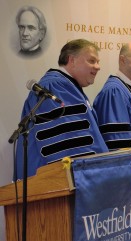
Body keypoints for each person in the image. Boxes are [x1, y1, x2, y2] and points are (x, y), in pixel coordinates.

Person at [15, 39, 109, 180]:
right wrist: (97, 175)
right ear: (72, 60)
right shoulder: (55, 87)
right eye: (92, 61)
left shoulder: (69, 87)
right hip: (54, 185)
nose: (98, 67)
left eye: (98, 62)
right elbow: (68, 145)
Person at [93, 42, 131, 240]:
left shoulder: (130, 89)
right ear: (122, 60)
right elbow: (117, 142)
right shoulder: (114, 91)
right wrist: (129, 176)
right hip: (121, 179)